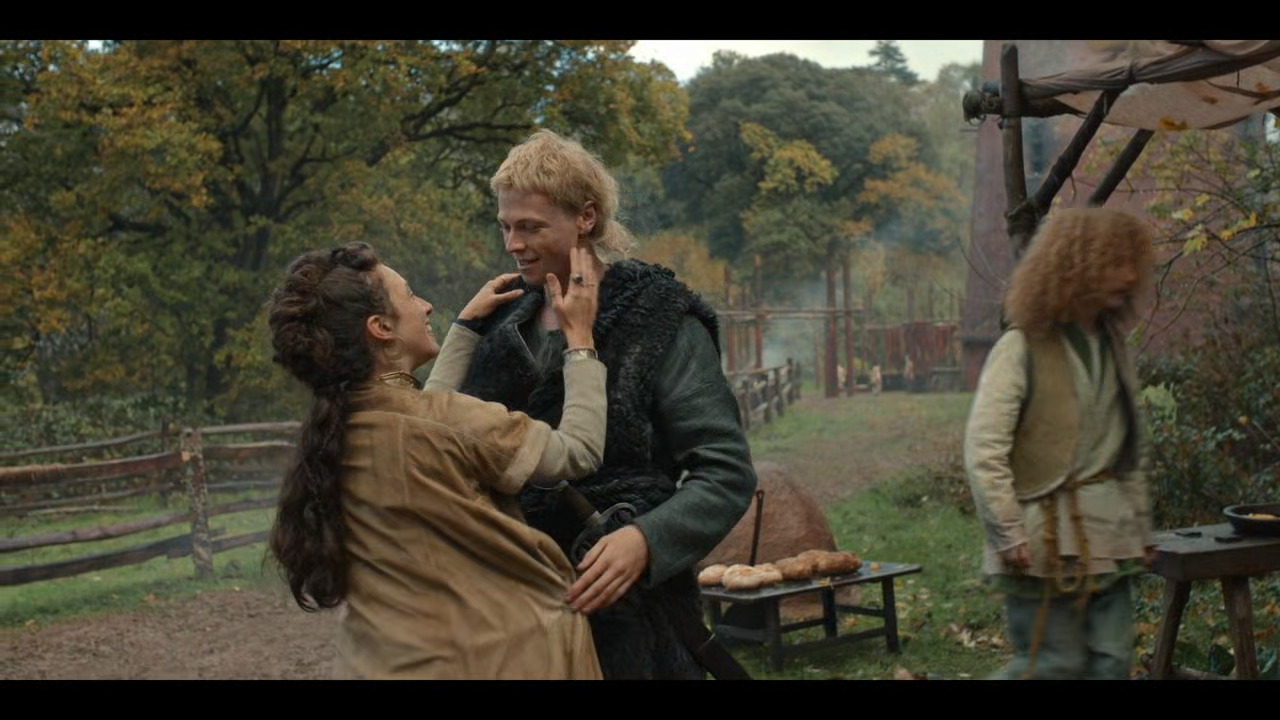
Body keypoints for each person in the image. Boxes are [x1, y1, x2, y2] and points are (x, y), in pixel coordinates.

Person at [456, 129, 758, 679]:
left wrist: (647, 540)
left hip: (628, 616)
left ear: (586, 217)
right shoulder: (499, 323)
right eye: (506, 226)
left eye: (531, 227)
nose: (513, 244)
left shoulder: (661, 320)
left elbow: (726, 472)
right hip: (508, 613)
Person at [265, 239, 607, 680]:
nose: (425, 306)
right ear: (380, 327)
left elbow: (421, 419)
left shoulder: (335, 435)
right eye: (410, 295)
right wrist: (580, 341)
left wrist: (463, 329)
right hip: (500, 660)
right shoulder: (446, 423)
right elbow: (578, 452)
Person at [964, 207, 1157, 680]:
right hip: (1042, 536)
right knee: (1053, 665)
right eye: (1115, 263)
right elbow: (984, 447)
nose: (1131, 276)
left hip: (1109, 532)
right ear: (1077, 265)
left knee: (1112, 663)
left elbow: (1129, 451)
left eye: (1132, 263)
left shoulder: (1113, 346)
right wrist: (1007, 529)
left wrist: (1140, 525)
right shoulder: (1020, 347)